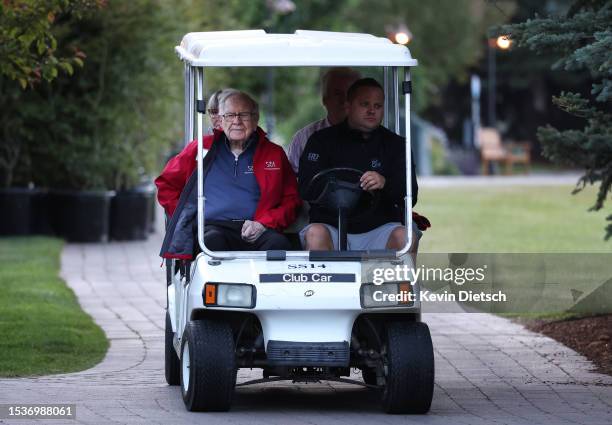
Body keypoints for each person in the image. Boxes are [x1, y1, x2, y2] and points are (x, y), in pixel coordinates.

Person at [156, 91, 301, 259]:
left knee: (279, 245)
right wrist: (189, 217)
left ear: (255, 120)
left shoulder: (274, 154)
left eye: (244, 115)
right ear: (221, 120)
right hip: (213, 228)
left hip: (258, 228)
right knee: (212, 242)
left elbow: (292, 200)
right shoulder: (201, 148)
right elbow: (166, 185)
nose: (236, 121)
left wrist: (264, 223)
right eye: (230, 115)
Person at [298, 77, 424, 255]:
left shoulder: (396, 145)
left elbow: (410, 196)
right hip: (331, 226)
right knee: (315, 234)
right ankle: (322, 283)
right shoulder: (321, 141)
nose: (371, 111)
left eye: (377, 106)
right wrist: (335, 185)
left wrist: (384, 183)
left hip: (379, 228)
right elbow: (306, 188)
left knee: (404, 236)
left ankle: (399, 284)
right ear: (348, 106)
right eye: (365, 104)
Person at [287, 67, 361, 173]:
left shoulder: (376, 139)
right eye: (337, 93)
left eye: (351, 93)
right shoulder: (303, 138)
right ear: (325, 99)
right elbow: (291, 182)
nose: (344, 99)